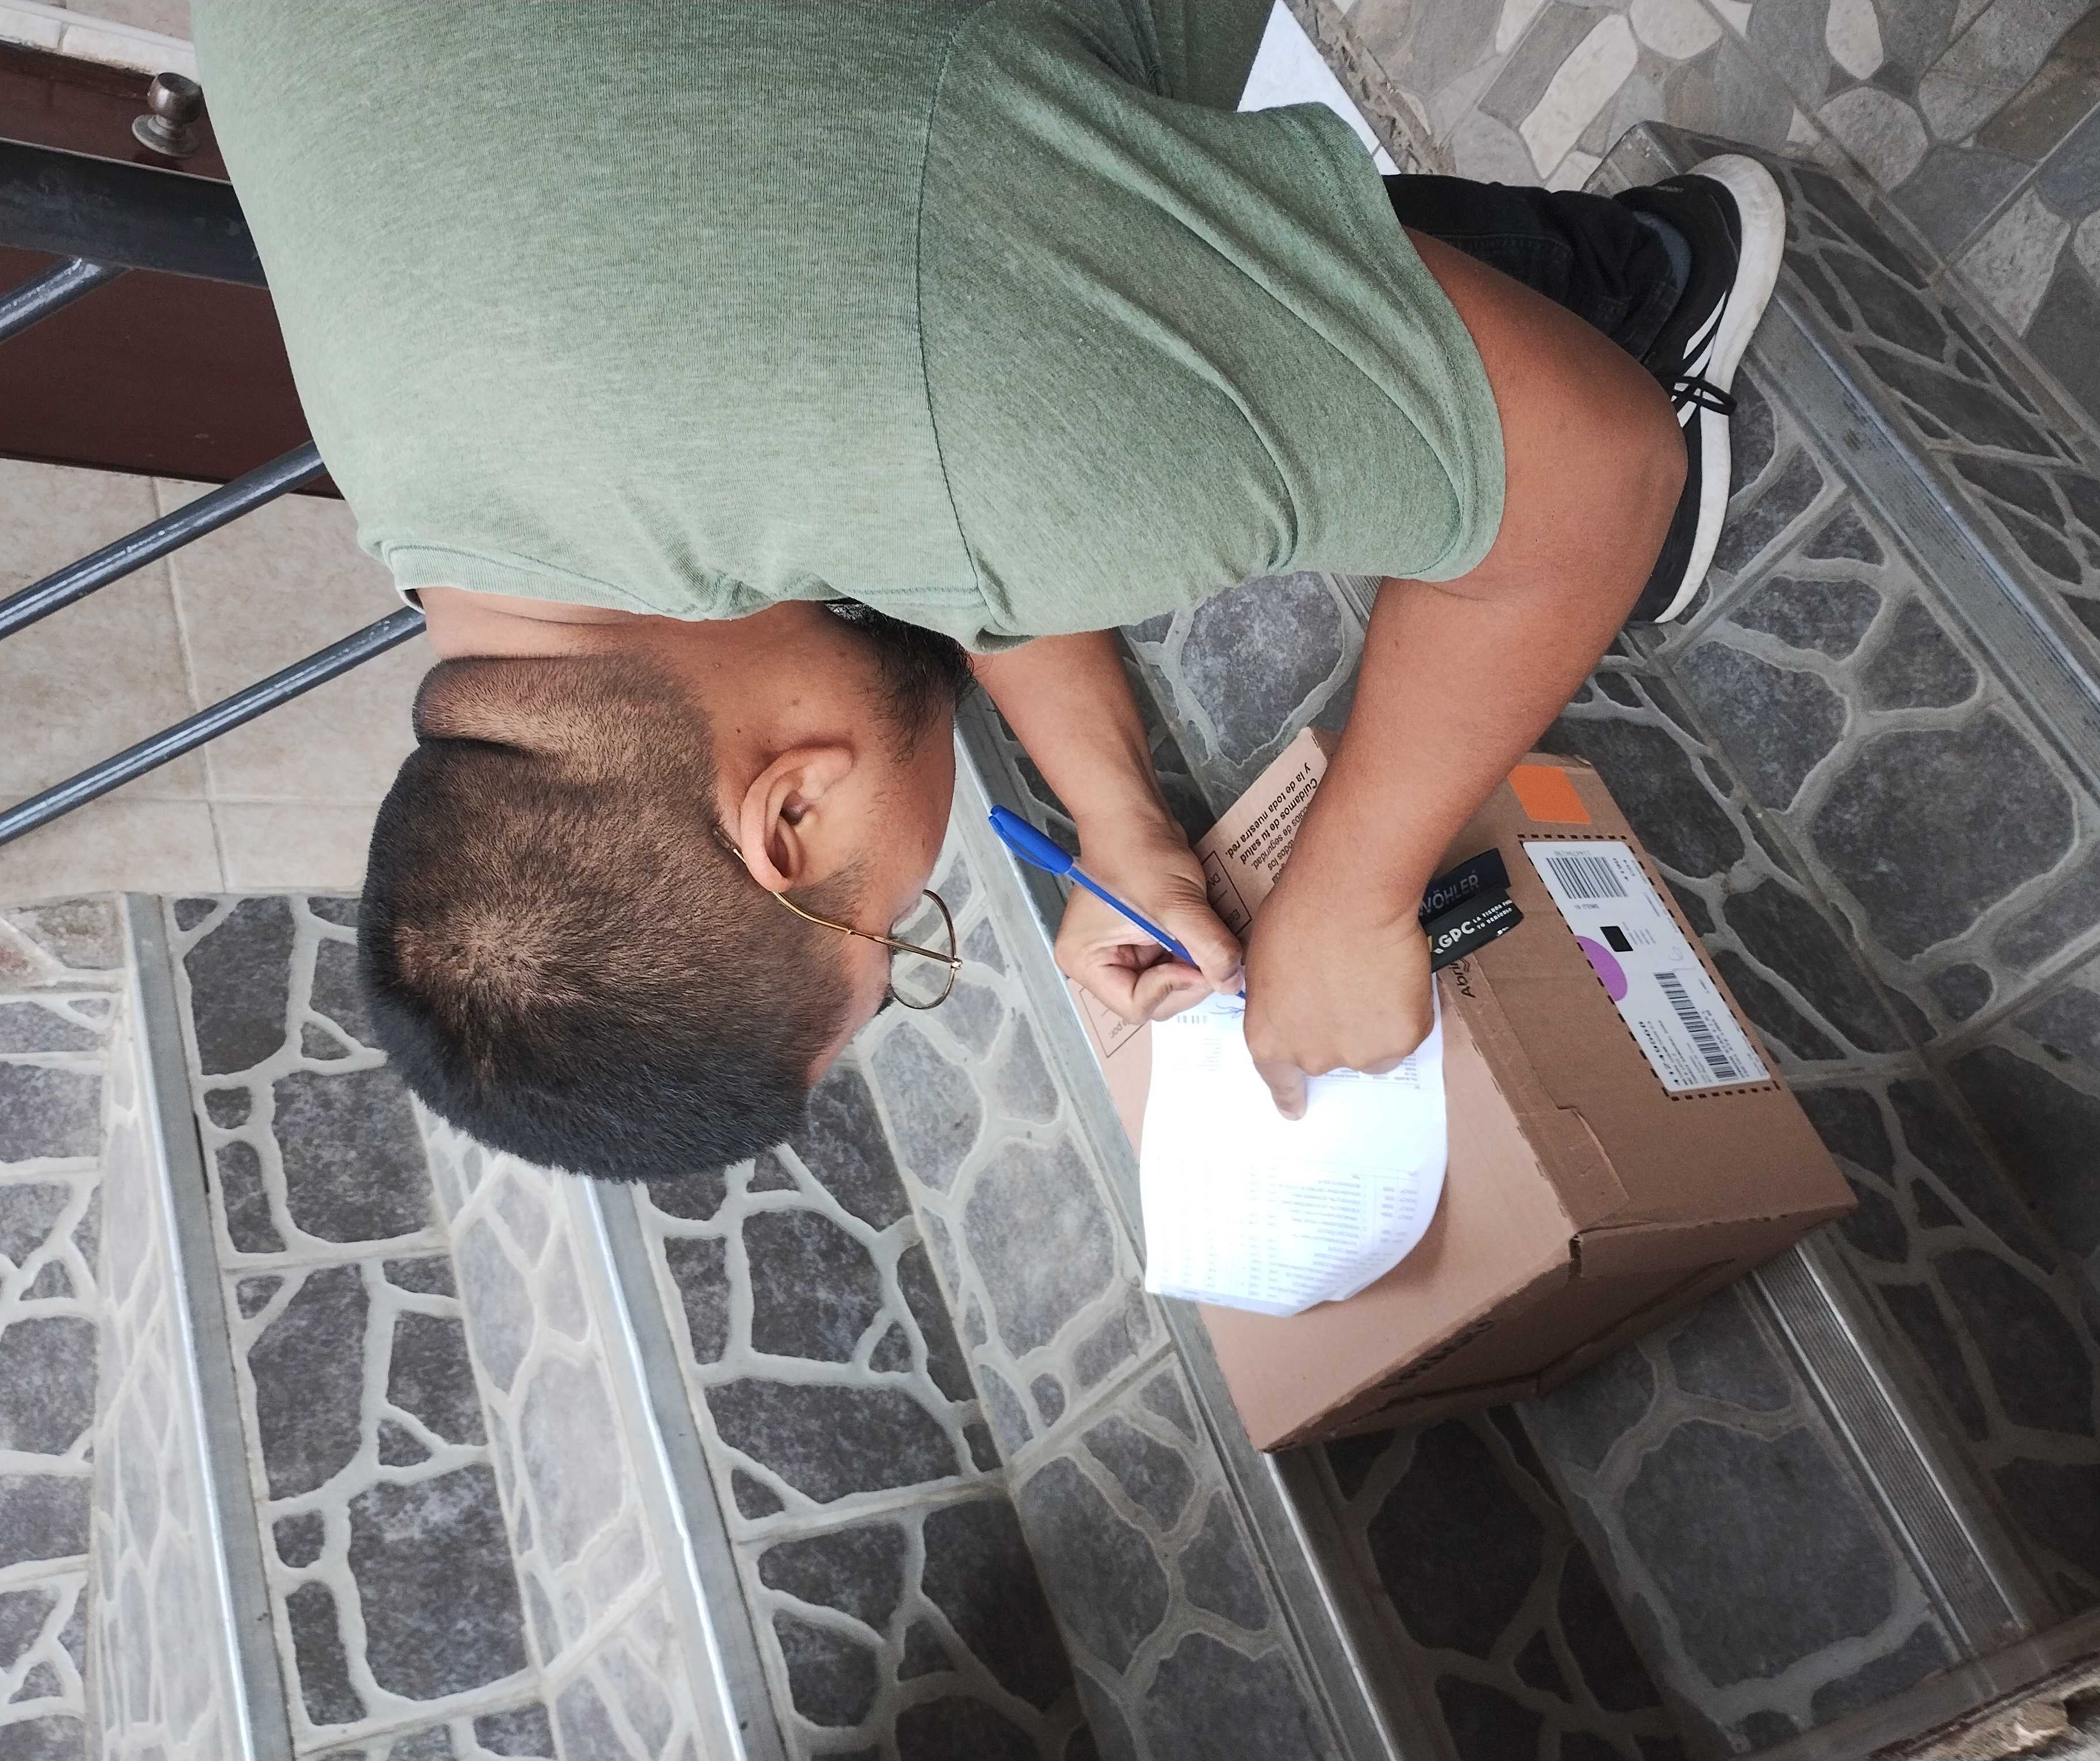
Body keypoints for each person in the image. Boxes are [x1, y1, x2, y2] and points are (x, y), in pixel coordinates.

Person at [192, 1, 1782, 1181]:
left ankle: (1657, 291)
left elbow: (1599, 477)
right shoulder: (418, 461)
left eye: (902, 934)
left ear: (791, 819)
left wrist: (1355, 897)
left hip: (961, 269)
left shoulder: (952, 414)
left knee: (1526, 450)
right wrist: (1118, 818)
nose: (922, 907)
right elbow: (901, 470)